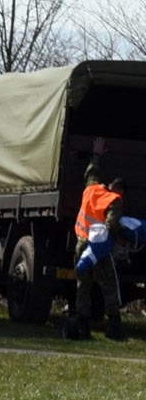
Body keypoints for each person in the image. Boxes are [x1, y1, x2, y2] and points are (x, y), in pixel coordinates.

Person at [67, 136, 126, 341]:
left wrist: (96, 155)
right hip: (98, 249)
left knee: (83, 286)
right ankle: (114, 327)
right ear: (120, 191)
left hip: (81, 245)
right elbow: (112, 225)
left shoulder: (91, 189)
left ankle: (83, 328)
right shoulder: (114, 200)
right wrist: (119, 239)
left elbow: (91, 172)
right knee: (108, 285)